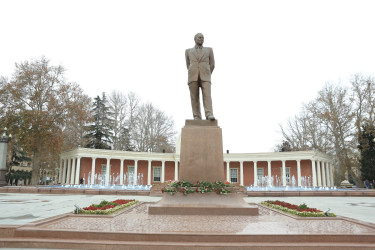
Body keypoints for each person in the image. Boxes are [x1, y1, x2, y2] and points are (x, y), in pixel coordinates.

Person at [185, 33, 215, 120]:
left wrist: (208, 72)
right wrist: (193, 71)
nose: (201, 39)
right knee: (194, 98)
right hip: (193, 75)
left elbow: (212, 64)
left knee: (207, 95)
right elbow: (188, 65)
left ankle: (209, 114)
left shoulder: (209, 50)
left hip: (205, 75)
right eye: (199, 37)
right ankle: (197, 116)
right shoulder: (188, 51)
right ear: (195, 39)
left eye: (202, 38)